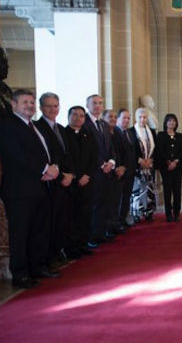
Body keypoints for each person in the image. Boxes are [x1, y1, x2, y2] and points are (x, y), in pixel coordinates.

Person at [0, 90, 60, 288]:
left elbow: (46, 152)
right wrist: (45, 169)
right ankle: (20, 273)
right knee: (21, 233)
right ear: (14, 104)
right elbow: (16, 154)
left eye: (32, 102)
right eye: (25, 102)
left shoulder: (33, 126)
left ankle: (38, 266)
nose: (30, 106)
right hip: (19, 190)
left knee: (39, 230)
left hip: (41, 186)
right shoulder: (8, 125)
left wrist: (54, 168)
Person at [35, 93, 74, 268]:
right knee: (49, 223)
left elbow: (67, 155)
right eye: (49, 106)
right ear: (41, 107)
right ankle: (48, 257)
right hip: (50, 182)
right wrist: (60, 176)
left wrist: (70, 174)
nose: (53, 109)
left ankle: (58, 251)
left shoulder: (61, 128)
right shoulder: (38, 127)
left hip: (65, 181)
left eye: (56, 106)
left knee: (61, 220)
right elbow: (44, 156)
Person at [84, 94, 117, 244]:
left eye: (100, 103)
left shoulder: (103, 124)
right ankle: (91, 235)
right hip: (94, 171)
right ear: (88, 105)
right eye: (94, 103)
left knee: (105, 202)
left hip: (107, 171)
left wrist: (111, 162)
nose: (97, 106)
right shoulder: (84, 122)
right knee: (94, 204)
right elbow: (88, 150)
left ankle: (101, 231)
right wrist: (102, 164)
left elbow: (110, 147)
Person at [65, 106, 98, 254]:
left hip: (87, 181)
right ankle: (72, 247)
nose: (78, 118)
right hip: (72, 183)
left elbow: (93, 157)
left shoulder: (87, 134)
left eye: (81, 116)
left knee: (86, 214)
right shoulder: (63, 134)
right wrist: (77, 176)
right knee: (72, 216)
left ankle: (84, 243)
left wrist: (87, 175)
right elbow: (66, 159)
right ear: (68, 116)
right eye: (75, 115)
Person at [129, 108, 158, 222]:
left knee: (149, 189)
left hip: (149, 166)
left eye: (144, 117)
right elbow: (130, 149)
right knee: (137, 190)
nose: (142, 119)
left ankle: (149, 212)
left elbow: (156, 148)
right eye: (140, 117)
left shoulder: (152, 131)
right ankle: (137, 213)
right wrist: (140, 160)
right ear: (136, 118)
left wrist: (150, 160)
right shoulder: (131, 131)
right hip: (138, 166)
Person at [156, 113, 182, 222]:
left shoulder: (180, 136)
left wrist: (175, 162)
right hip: (165, 167)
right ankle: (168, 214)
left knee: (177, 190)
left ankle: (177, 213)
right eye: (169, 121)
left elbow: (181, 151)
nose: (172, 122)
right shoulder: (161, 135)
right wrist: (168, 162)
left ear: (176, 123)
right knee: (167, 190)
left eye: (174, 121)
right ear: (166, 123)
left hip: (178, 167)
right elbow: (160, 150)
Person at [104, 109, 128, 234]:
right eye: (110, 116)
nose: (113, 119)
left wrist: (122, 167)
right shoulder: (104, 133)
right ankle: (108, 228)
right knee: (108, 202)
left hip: (120, 172)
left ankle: (114, 224)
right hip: (109, 172)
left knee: (116, 201)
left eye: (114, 116)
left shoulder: (117, 133)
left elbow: (123, 153)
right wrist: (115, 167)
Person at [115, 109, 137, 227]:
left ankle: (123, 219)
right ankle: (117, 222)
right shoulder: (115, 132)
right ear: (118, 119)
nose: (126, 120)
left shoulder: (129, 132)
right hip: (120, 171)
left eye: (128, 118)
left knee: (126, 197)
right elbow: (116, 153)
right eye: (124, 118)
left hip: (130, 171)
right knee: (119, 198)